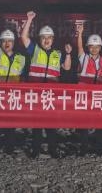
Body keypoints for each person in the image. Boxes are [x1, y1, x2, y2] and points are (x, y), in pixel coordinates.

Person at [21, 11, 67, 157]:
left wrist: (69, 54)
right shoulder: (34, 49)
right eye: (43, 38)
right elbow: (23, 37)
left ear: (53, 39)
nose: (46, 40)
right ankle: (35, 151)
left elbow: (66, 67)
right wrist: (29, 20)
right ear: (40, 39)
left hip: (51, 95)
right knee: (37, 125)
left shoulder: (58, 54)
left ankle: (53, 150)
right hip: (36, 94)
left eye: (49, 38)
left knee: (51, 125)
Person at [0, 13, 25, 153]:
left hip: (13, 95)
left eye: (9, 41)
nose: (6, 43)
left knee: (11, 122)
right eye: (4, 41)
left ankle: (10, 146)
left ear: (13, 43)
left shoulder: (21, 58)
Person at [76, 27, 102, 154]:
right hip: (85, 95)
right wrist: (80, 34)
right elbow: (79, 48)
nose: (94, 49)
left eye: (97, 46)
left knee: (99, 123)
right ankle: (84, 147)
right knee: (84, 123)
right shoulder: (84, 58)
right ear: (88, 47)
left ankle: (99, 147)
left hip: (99, 96)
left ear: (100, 48)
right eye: (91, 46)